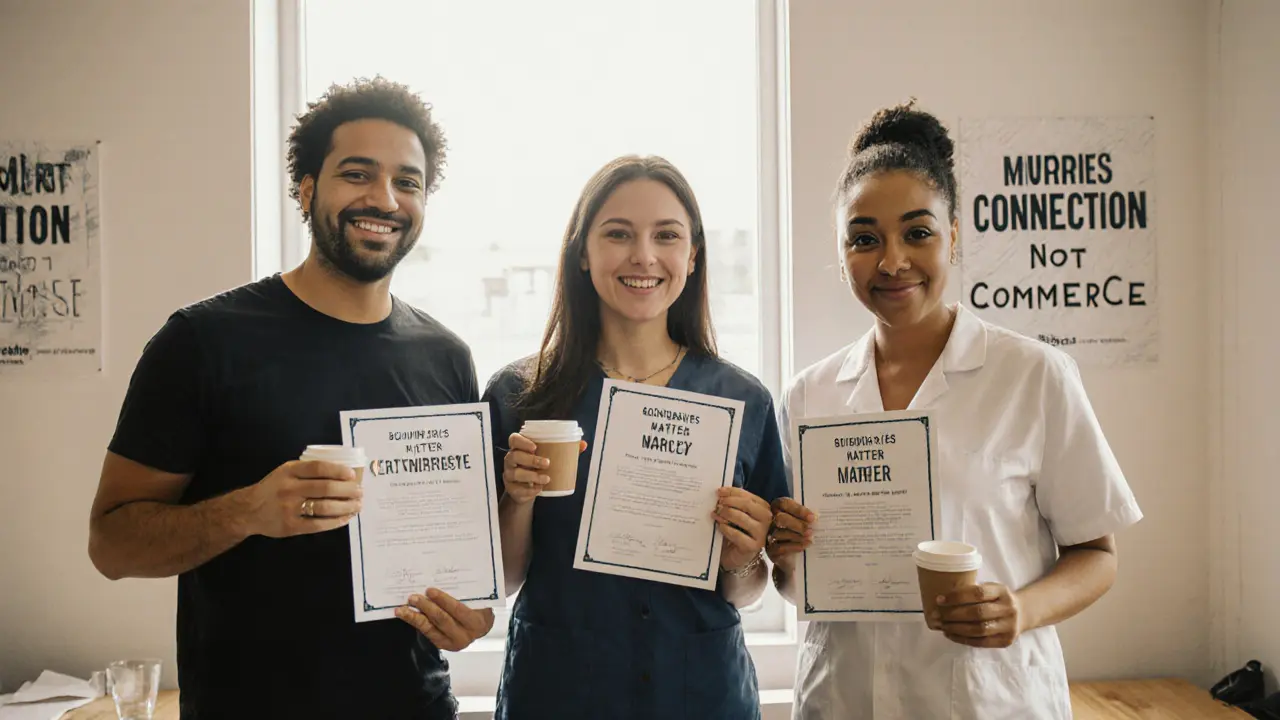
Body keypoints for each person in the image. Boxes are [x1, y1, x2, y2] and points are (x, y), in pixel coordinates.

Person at [87, 77, 494, 719]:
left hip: (415, 707)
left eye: (407, 182)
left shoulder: (446, 357)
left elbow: (456, 559)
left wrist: (467, 615)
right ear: (306, 189)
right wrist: (247, 510)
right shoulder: (201, 341)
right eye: (357, 173)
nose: (383, 198)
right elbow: (109, 545)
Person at [766, 101, 1143, 720]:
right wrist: (785, 556)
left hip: (989, 701)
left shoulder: (1032, 375)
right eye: (864, 239)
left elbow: (1097, 556)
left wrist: (1020, 610)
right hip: (844, 698)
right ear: (840, 255)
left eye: (918, 232)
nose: (892, 261)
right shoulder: (810, 395)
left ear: (954, 236)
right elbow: (795, 583)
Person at [482, 155, 790, 720]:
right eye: (618, 234)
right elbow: (501, 580)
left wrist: (745, 557)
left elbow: (747, 591)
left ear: (693, 255)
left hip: (699, 693)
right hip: (558, 691)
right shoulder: (519, 395)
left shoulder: (744, 402)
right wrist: (519, 497)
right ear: (582, 252)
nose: (643, 256)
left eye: (666, 236)